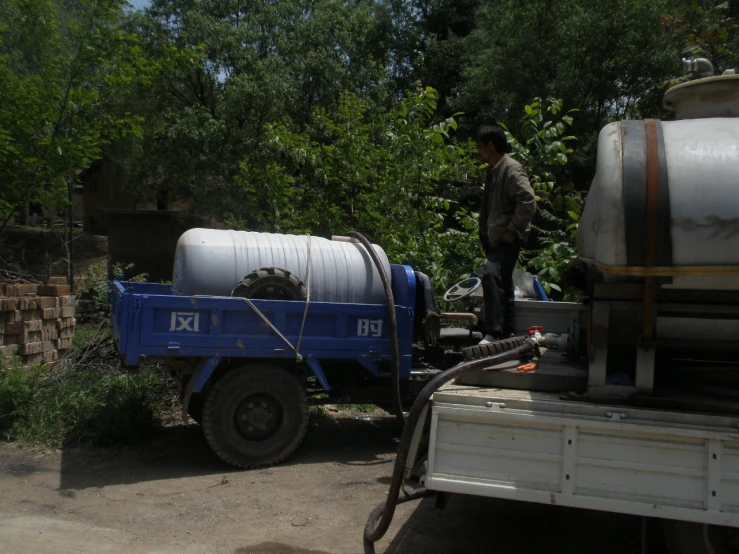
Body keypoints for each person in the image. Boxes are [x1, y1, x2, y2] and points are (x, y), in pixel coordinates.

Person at [477, 125, 536, 344]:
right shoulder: (496, 169)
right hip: (497, 237)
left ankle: (493, 331)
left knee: (491, 274)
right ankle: (509, 330)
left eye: (481, 147)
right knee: (503, 279)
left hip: (507, 237)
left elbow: (528, 202)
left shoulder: (511, 169)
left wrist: (512, 230)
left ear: (490, 146)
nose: (479, 152)